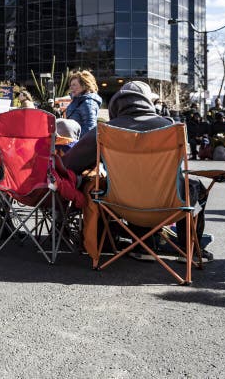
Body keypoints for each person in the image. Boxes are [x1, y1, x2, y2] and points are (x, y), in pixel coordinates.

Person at [62, 81, 213, 259]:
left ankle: (142, 246)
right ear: (148, 102)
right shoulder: (169, 126)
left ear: (117, 103)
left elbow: (69, 164)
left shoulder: (105, 130)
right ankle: (190, 251)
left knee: (112, 185)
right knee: (192, 187)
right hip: (168, 203)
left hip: (119, 204)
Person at [64, 70, 101, 136]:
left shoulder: (88, 103)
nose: (71, 88)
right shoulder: (78, 101)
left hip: (79, 143)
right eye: (70, 85)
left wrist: (74, 138)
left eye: (74, 85)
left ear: (84, 86)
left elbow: (90, 128)